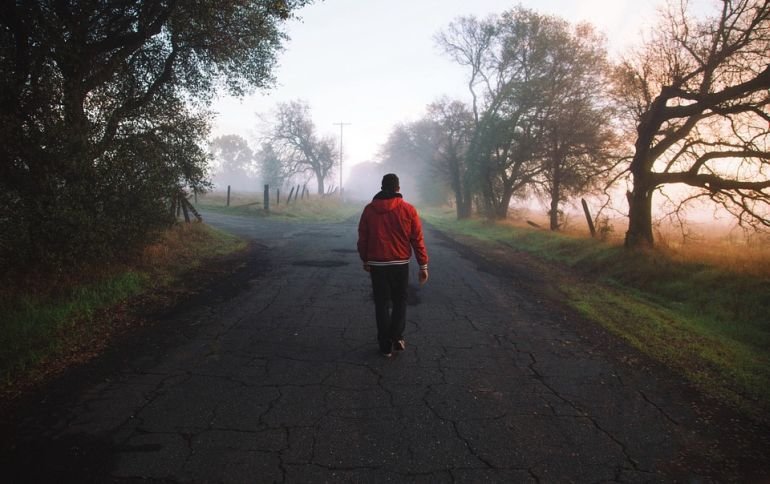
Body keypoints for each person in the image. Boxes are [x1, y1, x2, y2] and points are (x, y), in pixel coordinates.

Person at [357, 173, 429, 357]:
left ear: (382, 187)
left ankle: (385, 344)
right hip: (400, 263)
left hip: (377, 263)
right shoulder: (408, 210)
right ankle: (396, 336)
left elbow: (363, 237)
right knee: (400, 300)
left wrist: (365, 258)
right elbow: (417, 239)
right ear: (398, 188)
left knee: (381, 303)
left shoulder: (369, 210)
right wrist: (423, 265)